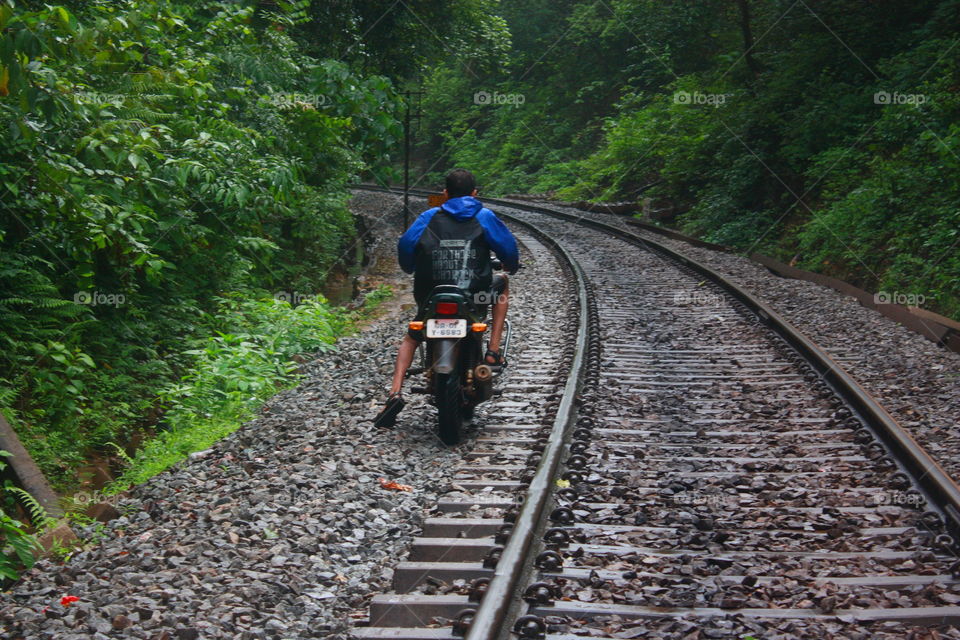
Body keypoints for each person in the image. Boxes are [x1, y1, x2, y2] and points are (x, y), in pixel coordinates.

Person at [374, 169, 520, 428]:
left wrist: (411, 267)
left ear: (444, 193)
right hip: (475, 295)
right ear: (475, 194)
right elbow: (508, 251)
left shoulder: (428, 216)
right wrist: (509, 264)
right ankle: (493, 352)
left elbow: (406, 247)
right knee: (504, 284)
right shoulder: (484, 216)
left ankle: (394, 393)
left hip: (432, 295)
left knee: (412, 335)